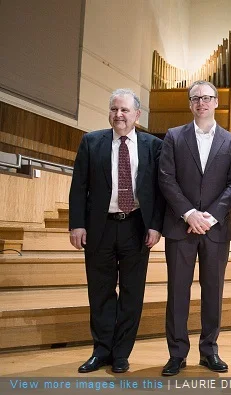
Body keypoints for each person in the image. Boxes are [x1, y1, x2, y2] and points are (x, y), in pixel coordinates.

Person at [69, 89, 165, 374]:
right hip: (100, 227)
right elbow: (78, 187)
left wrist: (155, 225)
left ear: (137, 115)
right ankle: (101, 351)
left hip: (136, 227)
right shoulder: (91, 142)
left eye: (124, 110)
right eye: (114, 109)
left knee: (132, 294)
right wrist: (77, 224)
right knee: (100, 292)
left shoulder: (152, 145)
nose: (118, 115)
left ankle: (122, 353)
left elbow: (159, 191)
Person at [158, 81, 231, 376]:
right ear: (190, 104)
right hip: (181, 227)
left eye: (207, 98)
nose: (201, 103)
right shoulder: (173, 136)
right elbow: (166, 178)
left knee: (213, 292)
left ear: (217, 102)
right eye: (196, 98)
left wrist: (211, 216)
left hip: (215, 229)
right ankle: (177, 353)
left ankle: (209, 351)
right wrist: (189, 213)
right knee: (177, 292)